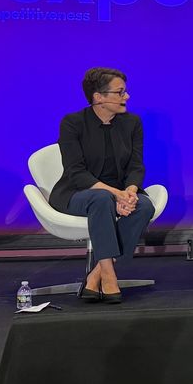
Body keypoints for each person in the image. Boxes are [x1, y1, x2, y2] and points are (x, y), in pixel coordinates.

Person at [49, 67, 155, 304]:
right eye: (120, 93)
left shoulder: (132, 123)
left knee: (145, 206)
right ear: (98, 97)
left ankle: (97, 273)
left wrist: (130, 191)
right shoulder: (72, 123)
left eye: (125, 92)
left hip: (119, 191)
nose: (126, 97)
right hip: (76, 192)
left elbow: (136, 166)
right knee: (101, 198)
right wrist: (116, 194)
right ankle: (108, 276)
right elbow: (76, 173)